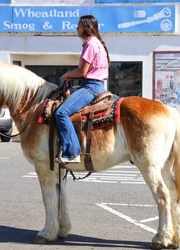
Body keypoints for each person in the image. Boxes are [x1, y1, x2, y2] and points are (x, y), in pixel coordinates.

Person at [55, 15, 111, 164]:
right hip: (94, 84)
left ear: (86, 27)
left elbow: (82, 72)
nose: (76, 28)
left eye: (78, 25)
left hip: (91, 86)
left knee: (61, 113)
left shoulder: (91, 44)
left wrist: (67, 75)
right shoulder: (95, 43)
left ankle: (72, 152)